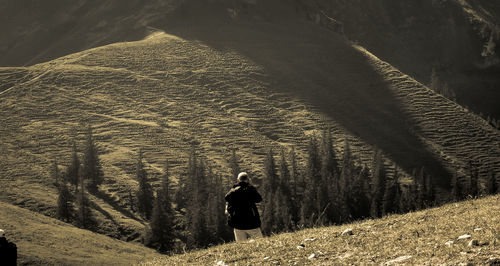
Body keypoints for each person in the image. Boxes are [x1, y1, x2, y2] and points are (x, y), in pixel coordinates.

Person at [225, 172, 263, 242]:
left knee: (241, 245)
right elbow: (259, 199)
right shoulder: (250, 189)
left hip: (237, 223)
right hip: (251, 222)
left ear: (237, 180)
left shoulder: (233, 191)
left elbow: (226, 198)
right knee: (260, 242)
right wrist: (251, 186)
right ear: (248, 180)